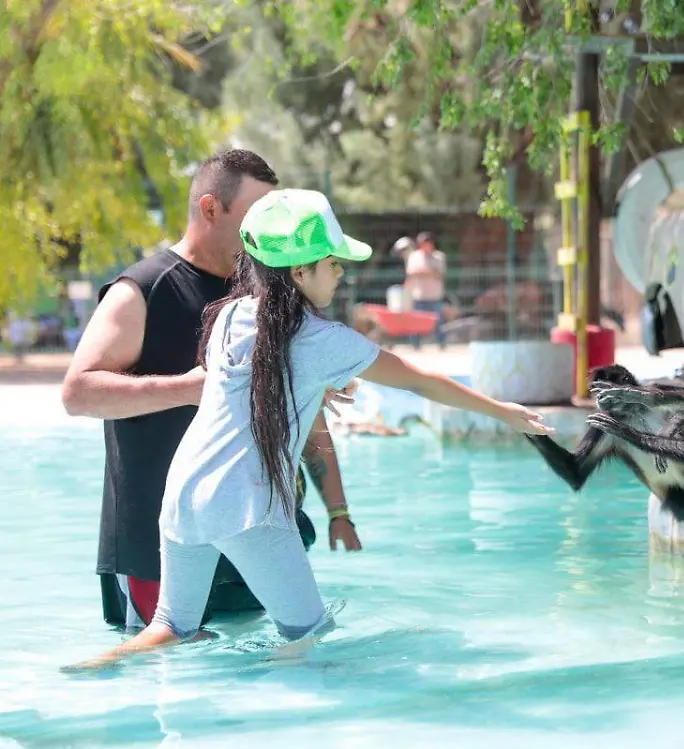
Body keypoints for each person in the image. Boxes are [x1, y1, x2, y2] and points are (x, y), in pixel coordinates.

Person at [67, 188, 553, 670]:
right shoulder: (322, 339)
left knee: (171, 626)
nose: (341, 274)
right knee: (310, 636)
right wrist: (504, 412)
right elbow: (419, 379)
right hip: (246, 505)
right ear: (301, 272)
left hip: (183, 492)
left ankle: (95, 667)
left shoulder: (228, 316)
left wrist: (313, 388)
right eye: (333, 262)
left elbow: (253, 387)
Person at [61, 149, 362, 632]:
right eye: (255, 214)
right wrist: (188, 388)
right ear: (210, 209)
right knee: (169, 674)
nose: (268, 228)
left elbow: (302, 413)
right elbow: (78, 392)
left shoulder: (269, 296)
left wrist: (337, 508)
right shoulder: (142, 289)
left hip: (254, 532)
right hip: (159, 548)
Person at [404, 231, 447, 349]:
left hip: (434, 295)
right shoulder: (414, 256)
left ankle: (442, 345)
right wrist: (430, 271)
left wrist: (423, 271)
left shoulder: (439, 256)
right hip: (419, 295)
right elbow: (412, 273)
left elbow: (439, 274)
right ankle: (415, 346)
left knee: (438, 322)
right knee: (416, 322)